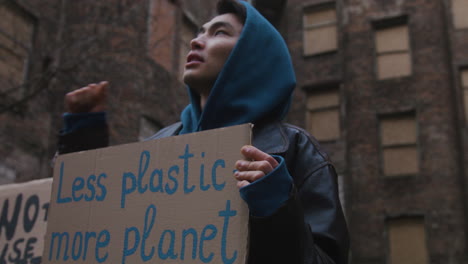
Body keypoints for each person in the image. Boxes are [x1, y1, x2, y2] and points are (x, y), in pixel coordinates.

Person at [57, 0, 349, 263]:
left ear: (252, 56)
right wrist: (83, 137)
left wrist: (277, 210)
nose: (196, 41)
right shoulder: (159, 143)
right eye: (199, 32)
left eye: (219, 32)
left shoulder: (296, 149)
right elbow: (100, 233)